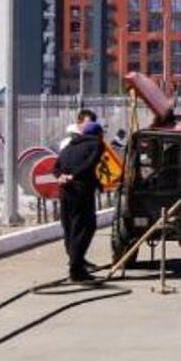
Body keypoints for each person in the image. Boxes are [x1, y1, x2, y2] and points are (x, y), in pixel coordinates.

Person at [54, 119, 107, 282]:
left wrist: (61, 176)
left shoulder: (70, 146)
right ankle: (76, 270)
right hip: (80, 190)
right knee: (84, 227)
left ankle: (74, 262)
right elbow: (89, 164)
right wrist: (74, 175)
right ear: (98, 134)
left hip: (65, 189)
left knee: (69, 226)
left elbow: (56, 166)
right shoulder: (97, 144)